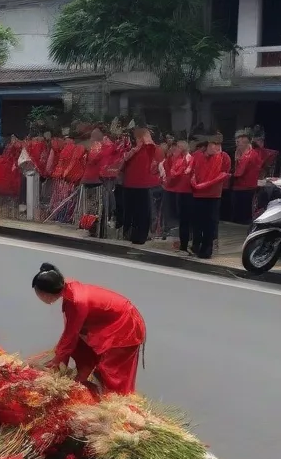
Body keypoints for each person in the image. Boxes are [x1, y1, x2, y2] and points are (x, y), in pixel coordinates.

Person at [32, 263, 146, 395]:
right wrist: (59, 359)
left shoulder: (77, 301)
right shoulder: (67, 288)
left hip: (124, 326)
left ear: (46, 294)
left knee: (111, 372)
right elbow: (70, 334)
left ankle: (111, 403)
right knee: (79, 348)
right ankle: (80, 380)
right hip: (109, 323)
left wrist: (57, 361)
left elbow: (70, 335)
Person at [190, 136, 232, 259]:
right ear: (207, 145)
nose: (217, 147)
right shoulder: (197, 155)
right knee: (197, 222)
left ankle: (206, 250)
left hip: (213, 195)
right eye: (214, 144)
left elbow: (224, 173)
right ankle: (196, 245)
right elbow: (191, 171)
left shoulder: (224, 157)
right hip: (197, 194)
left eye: (219, 144)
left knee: (211, 223)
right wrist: (195, 184)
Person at [120, 123, 162, 244]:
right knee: (131, 211)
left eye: (138, 136)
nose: (136, 139)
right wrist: (133, 150)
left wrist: (144, 136)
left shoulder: (149, 148)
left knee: (142, 212)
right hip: (129, 184)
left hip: (142, 185)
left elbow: (151, 145)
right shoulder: (130, 150)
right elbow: (122, 163)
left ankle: (141, 236)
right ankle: (130, 233)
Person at [163, 137, 194, 251]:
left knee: (186, 219)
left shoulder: (190, 159)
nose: (176, 149)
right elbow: (169, 171)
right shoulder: (176, 159)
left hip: (187, 192)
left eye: (179, 147)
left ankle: (187, 243)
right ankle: (183, 243)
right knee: (180, 219)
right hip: (177, 191)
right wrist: (170, 157)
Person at [232, 129, 261, 223]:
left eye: (238, 142)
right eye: (236, 142)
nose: (237, 144)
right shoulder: (243, 154)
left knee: (243, 212)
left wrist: (227, 175)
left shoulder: (250, 155)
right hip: (242, 186)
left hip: (246, 187)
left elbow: (239, 173)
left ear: (245, 143)